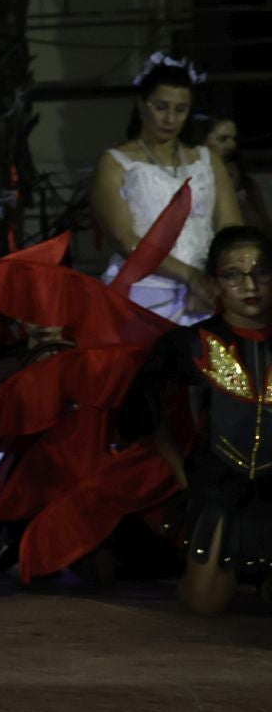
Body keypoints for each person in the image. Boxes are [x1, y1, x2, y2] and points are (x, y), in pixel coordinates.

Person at [119, 225, 272, 613]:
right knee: (204, 605)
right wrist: (183, 476)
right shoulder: (187, 344)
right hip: (221, 490)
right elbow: (144, 411)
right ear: (215, 283)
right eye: (234, 275)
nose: (249, 284)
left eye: (262, 272)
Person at [91, 53, 240, 324]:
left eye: (180, 110)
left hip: (205, 293)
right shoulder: (115, 162)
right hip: (142, 292)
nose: (170, 119)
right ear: (141, 104)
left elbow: (231, 230)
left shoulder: (208, 160)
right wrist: (188, 275)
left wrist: (213, 280)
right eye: (161, 107)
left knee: (216, 364)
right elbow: (124, 239)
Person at [200, 114, 268, 231]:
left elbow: (264, 226)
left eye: (234, 139)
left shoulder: (245, 183)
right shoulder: (193, 179)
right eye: (223, 139)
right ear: (203, 141)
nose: (232, 145)